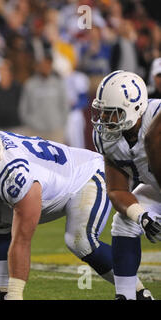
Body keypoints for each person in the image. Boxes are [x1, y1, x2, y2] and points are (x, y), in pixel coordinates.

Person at [0, 121, 151, 300]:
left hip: (86, 176)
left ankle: (138, 293)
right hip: (50, 181)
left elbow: (22, 240)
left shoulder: (16, 174)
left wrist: (16, 292)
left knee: (80, 241)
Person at [91, 70, 160, 300]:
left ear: (135, 107)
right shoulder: (107, 138)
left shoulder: (156, 114)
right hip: (157, 188)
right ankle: (127, 295)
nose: (105, 119)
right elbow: (117, 189)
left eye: (112, 113)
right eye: (103, 112)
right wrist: (142, 215)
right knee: (125, 220)